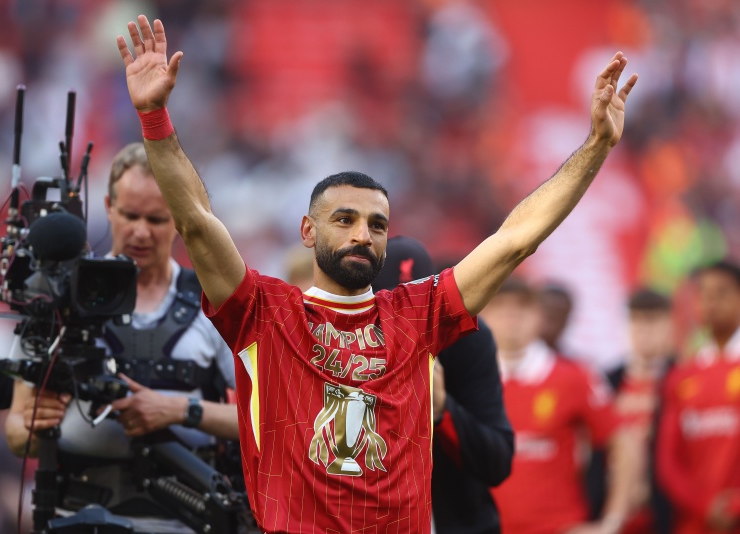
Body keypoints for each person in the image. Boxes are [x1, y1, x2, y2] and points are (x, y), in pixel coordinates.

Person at [115, 14, 637, 533]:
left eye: (377, 224)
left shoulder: (417, 315)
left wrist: (595, 147)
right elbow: (196, 223)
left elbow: (516, 239)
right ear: (307, 231)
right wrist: (154, 117)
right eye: (344, 220)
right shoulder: (266, 314)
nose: (363, 234)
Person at [4, 143, 240, 533]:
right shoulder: (58, 297)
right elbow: (17, 429)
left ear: (179, 219)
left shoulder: (214, 304)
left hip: (187, 519)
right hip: (77, 518)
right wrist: (30, 429)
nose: (141, 232)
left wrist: (180, 410)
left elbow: (267, 420)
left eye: (157, 219)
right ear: (109, 206)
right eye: (130, 215)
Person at [371, 236, 514, 534]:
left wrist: (442, 409)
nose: (405, 322)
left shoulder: (468, 339)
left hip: (457, 518)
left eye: (418, 307)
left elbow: (497, 463)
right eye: (392, 308)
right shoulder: (343, 338)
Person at [481, 278, 631, 534]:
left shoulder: (575, 376)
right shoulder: (468, 379)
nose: (511, 316)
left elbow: (624, 443)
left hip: (559, 525)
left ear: (539, 316)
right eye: (500, 306)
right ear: (483, 316)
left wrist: (612, 522)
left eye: (522, 307)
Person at [656, 260, 740, 534]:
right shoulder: (681, 376)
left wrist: (735, 506)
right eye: (703, 294)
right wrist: (705, 505)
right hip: (695, 523)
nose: (710, 302)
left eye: (721, 293)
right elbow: (668, 462)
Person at [588, 288, 676, 533]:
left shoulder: (683, 379)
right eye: (636, 321)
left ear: (670, 326)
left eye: (652, 322)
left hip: (664, 509)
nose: (643, 331)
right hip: (609, 506)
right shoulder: (605, 381)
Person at [538, 282, 575, 354]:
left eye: (561, 318)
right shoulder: (517, 354)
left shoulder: (569, 359)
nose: (553, 326)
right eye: (550, 316)